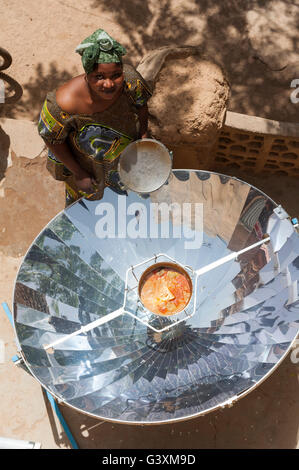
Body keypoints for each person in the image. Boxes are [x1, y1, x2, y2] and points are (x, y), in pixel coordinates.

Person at [38, 29, 152, 206]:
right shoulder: (63, 104)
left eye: (116, 75)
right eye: (99, 77)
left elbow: (141, 105)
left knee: (126, 201)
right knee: (89, 205)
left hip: (125, 155)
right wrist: (78, 172)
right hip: (88, 166)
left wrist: (143, 136)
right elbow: (52, 139)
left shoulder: (130, 81)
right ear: (87, 75)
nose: (109, 84)